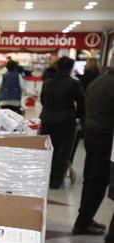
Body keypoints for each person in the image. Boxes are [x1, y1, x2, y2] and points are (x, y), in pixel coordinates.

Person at [73, 57, 114, 236]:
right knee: (98, 181)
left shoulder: (99, 81)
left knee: (90, 178)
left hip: (91, 131)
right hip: (106, 136)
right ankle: (83, 223)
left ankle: (85, 217)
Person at [38, 57, 85, 189]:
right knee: (62, 151)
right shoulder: (74, 83)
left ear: (57, 67)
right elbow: (82, 103)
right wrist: (77, 115)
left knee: (48, 149)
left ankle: (44, 178)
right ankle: (55, 181)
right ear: (71, 68)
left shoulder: (47, 82)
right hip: (66, 121)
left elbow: (43, 100)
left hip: (47, 119)